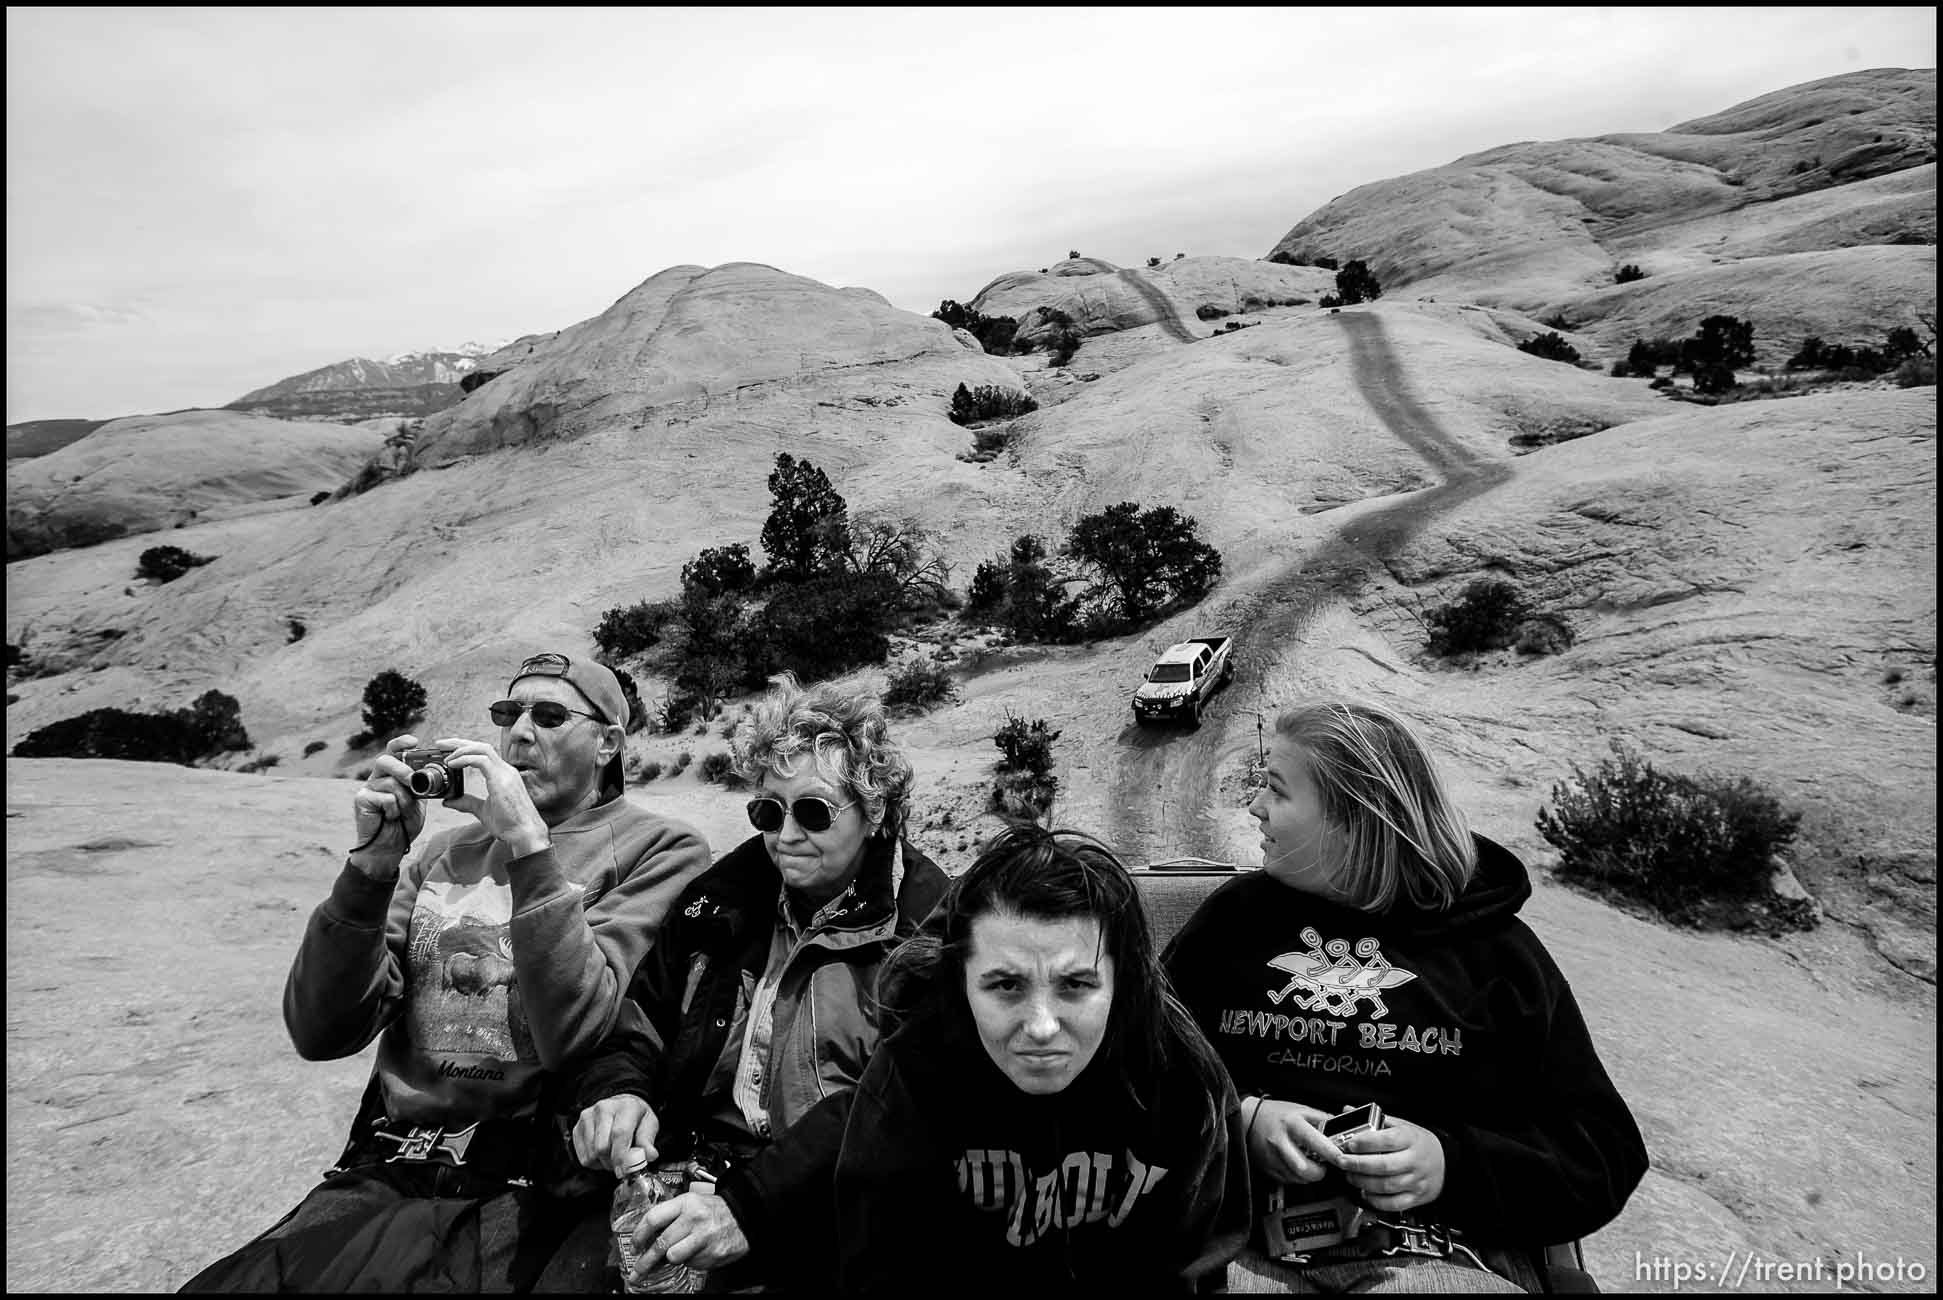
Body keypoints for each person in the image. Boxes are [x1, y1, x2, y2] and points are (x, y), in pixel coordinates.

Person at [182, 651, 713, 1292]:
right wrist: (370, 871)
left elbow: (580, 1033)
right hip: (388, 1164)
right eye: (507, 714)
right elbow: (323, 1032)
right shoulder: (442, 850)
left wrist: (528, 849)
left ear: (608, 743)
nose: (519, 733)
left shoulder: (660, 849)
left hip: (529, 1183)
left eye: (549, 716)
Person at [1161, 699, 1649, 1294]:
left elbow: (1602, 1153)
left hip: (1439, 1258)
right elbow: (1139, 1075)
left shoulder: (1494, 953)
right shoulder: (1230, 925)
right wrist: (1243, 1120)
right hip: (1235, 1249)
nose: (1255, 806)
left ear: (1354, 819)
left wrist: (1450, 1164)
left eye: (1277, 790)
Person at [561, 672, 950, 1291]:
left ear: (875, 811)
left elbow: (900, 1103)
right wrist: (618, 1092)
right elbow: (640, 1021)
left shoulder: (926, 926)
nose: (786, 836)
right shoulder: (719, 899)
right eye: (768, 811)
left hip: (834, 1209)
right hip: (690, 1184)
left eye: (815, 812)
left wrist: (751, 1204)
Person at [806, 825, 1252, 1295]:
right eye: (1006, 986)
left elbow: (1193, 1264)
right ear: (961, 983)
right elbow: (881, 1266)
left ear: (1122, 983)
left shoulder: (1182, 1078)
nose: (1041, 1027)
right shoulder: (910, 1075)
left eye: (1075, 986)